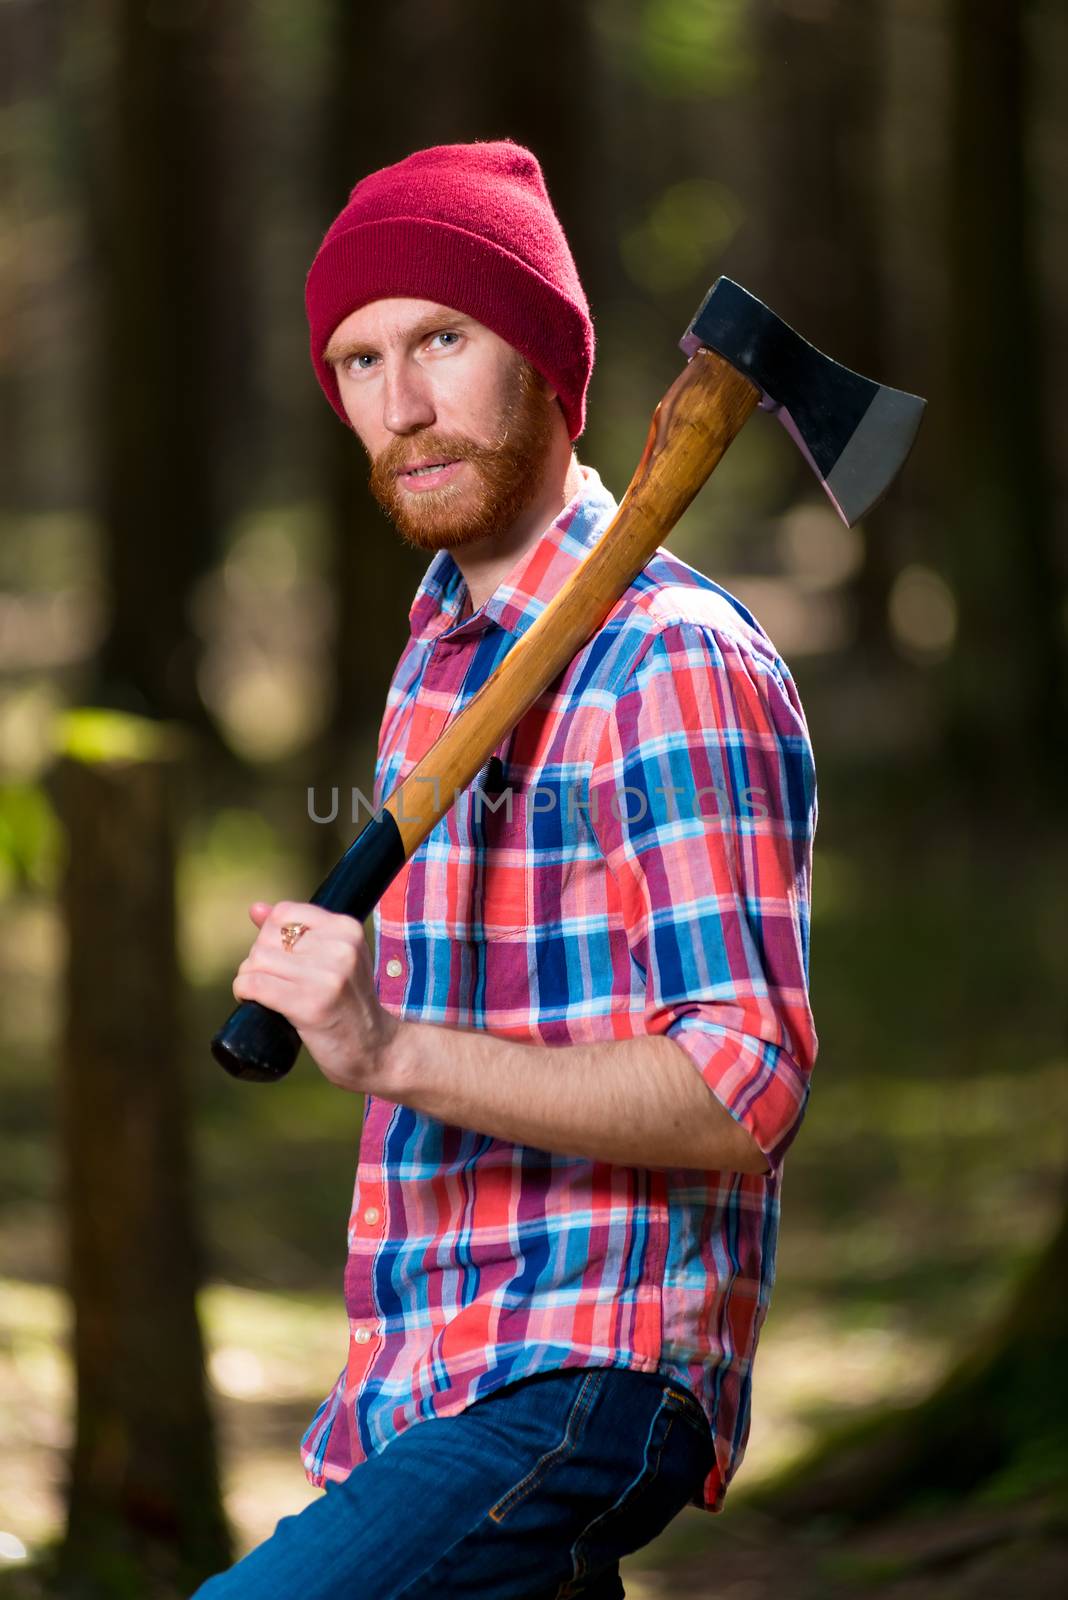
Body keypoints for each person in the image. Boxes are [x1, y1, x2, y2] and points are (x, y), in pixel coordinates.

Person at [193, 139, 818, 1599]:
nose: (399, 406)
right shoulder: (439, 652)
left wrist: (391, 1046)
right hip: (429, 1372)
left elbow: (749, 1081)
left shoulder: (676, 659)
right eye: (356, 361)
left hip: (581, 1369)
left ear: (540, 352)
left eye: (442, 341)